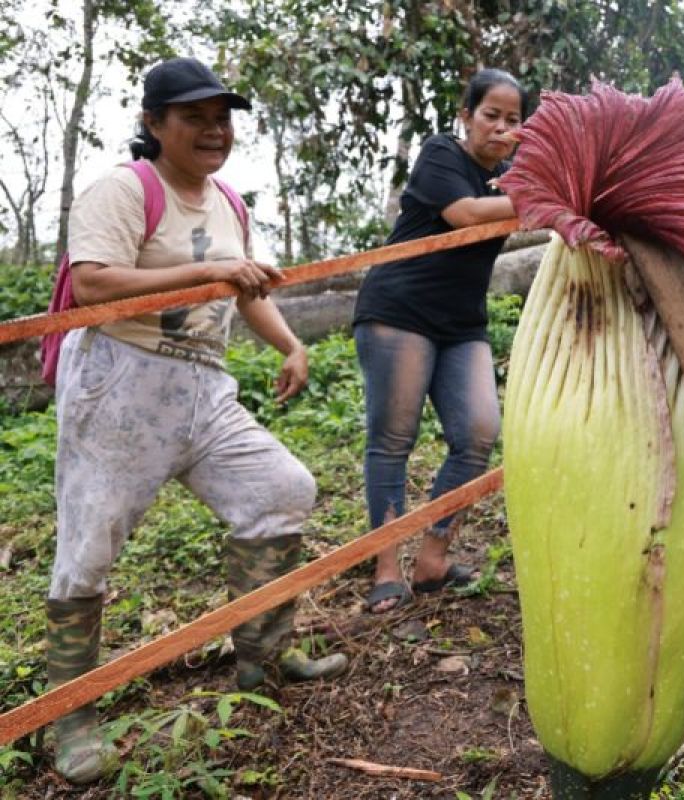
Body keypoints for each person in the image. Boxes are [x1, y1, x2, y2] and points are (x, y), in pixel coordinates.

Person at [48, 57, 346, 784]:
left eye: (223, 118)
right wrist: (202, 276)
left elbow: (244, 291)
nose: (215, 131)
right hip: (121, 381)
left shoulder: (228, 203)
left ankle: (263, 656)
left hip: (202, 384)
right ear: (154, 125)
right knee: (89, 545)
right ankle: (71, 713)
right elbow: (92, 282)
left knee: (281, 490)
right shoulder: (125, 190)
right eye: (195, 118)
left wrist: (291, 342)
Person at [353, 69, 526, 613]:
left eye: (513, 119)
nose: (500, 128)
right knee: (393, 438)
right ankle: (386, 569)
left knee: (478, 431)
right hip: (399, 310)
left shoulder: (514, 177)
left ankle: (432, 559)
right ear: (466, 115)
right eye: (490, 115)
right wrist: (541, 198)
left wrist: (537, 190)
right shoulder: (440, 154)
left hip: (461, 323)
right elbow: (466, 216)